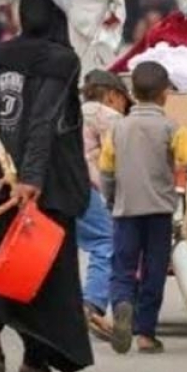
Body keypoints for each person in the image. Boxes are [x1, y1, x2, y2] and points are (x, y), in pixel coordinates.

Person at [0, 0, 92, 372]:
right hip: (41, 183)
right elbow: (43, 121)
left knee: (3, 262)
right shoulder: (62, 61)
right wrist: (30, 179)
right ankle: (34, 361)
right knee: (41, 271)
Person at [99, 62, 187, 354]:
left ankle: (122, 303)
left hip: (125, 211)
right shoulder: (172, 128)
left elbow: (107, 171)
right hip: (159, 212)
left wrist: (112, 200)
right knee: (154, 270)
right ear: (164, 95)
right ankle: (146, 333)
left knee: (122, 268)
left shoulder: (117, 128)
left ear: (132, 93)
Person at [78, 70, 131, 341]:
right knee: (105, 242)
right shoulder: (109, 117)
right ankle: (93, 305)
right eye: (124, 101)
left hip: (54, 188)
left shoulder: (72, 111)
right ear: (112, 96)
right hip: (86, 189)